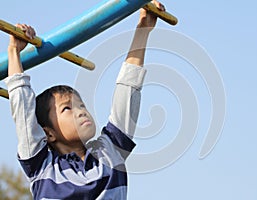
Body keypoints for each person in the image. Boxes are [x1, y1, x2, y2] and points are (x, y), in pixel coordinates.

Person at [4, 1, 165, 199]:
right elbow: (23, 110)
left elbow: (128, 89)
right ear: (49, 134)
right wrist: (14, 52)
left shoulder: (109, 152)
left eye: (81, 105)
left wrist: (143, 29)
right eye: (67, 109)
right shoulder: (43, 166)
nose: (81, 111)